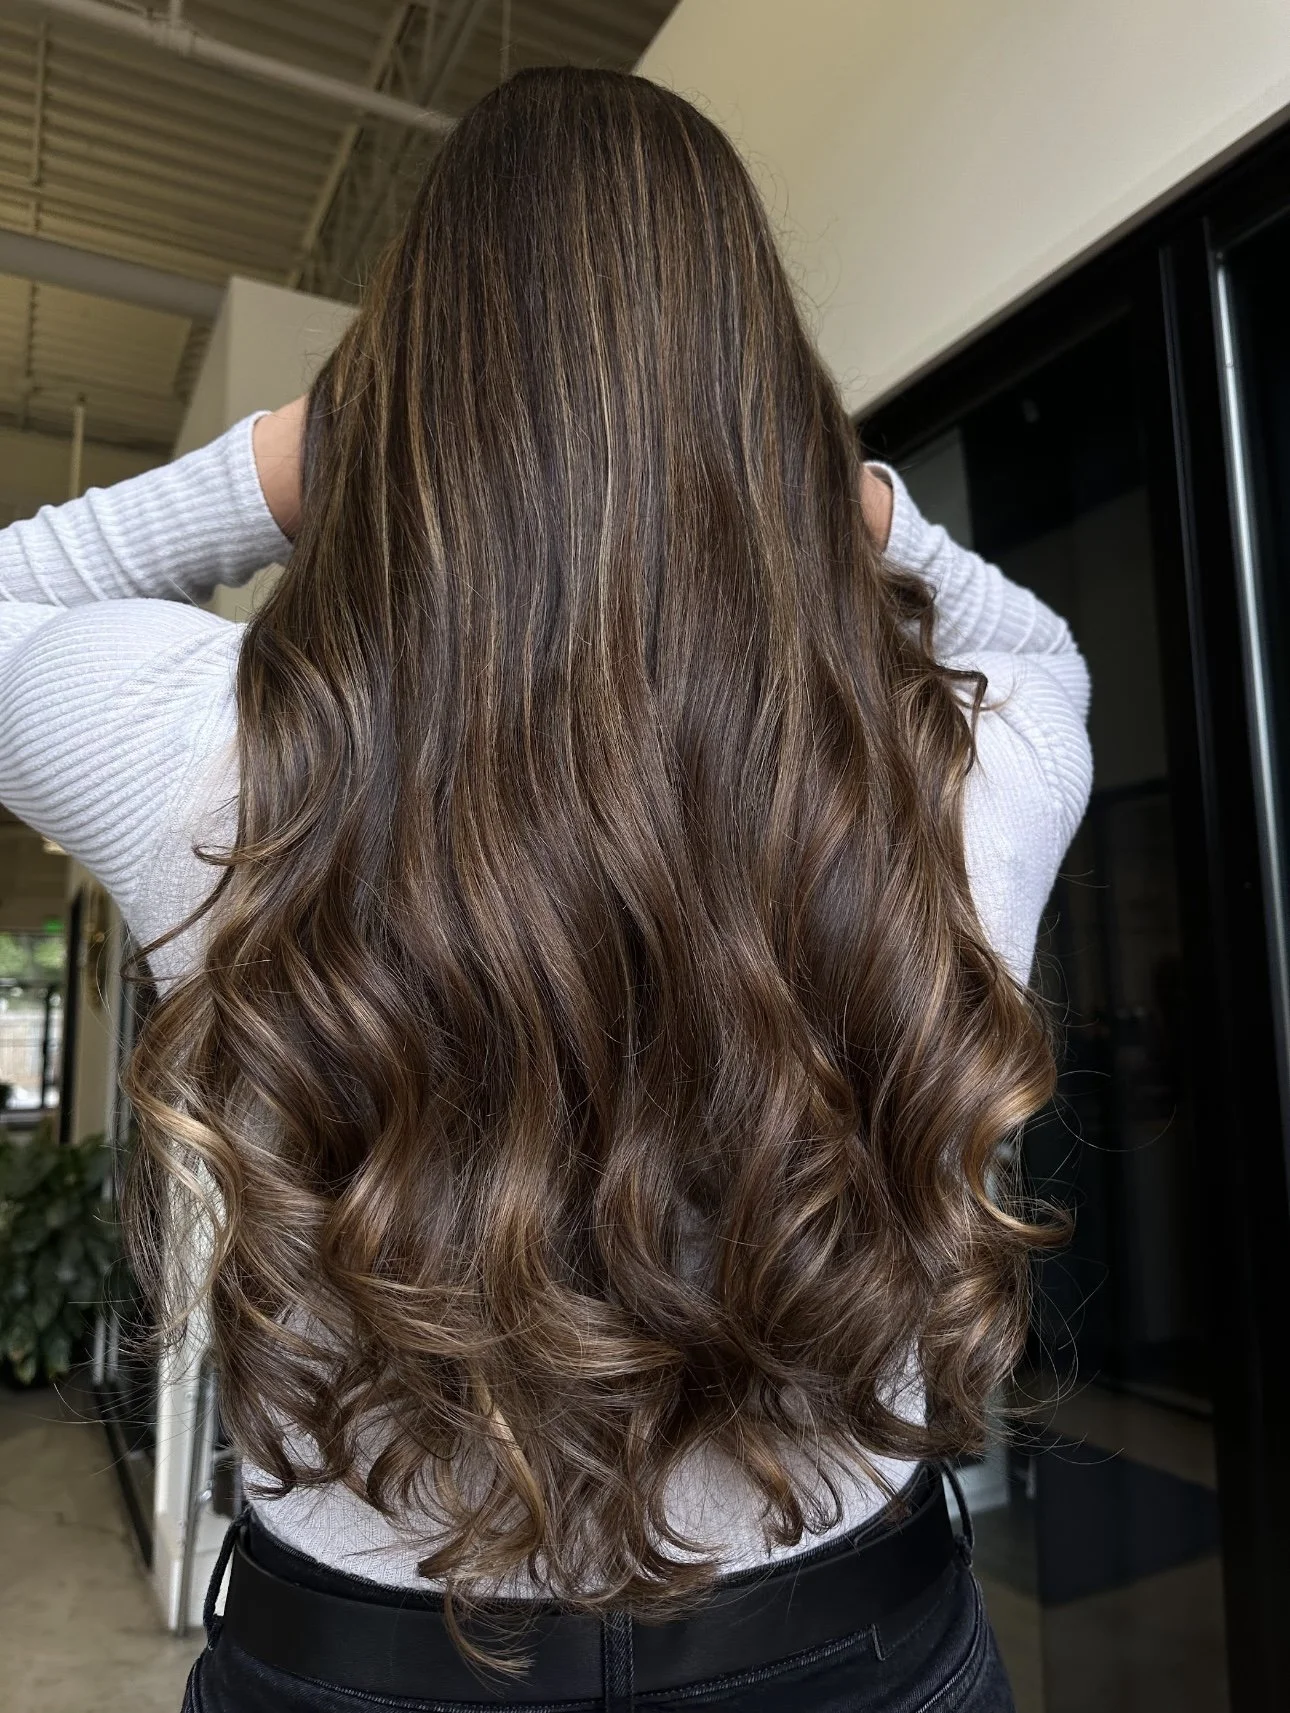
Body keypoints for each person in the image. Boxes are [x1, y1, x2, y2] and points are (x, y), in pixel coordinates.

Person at [0, 67, 1090, 1713]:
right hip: (857, 1660)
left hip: (356, 1675)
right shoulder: (956, 765)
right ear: (766, 404)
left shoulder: (216, 751)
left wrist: (279, 468)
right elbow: (1040, 648)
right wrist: (854, 501)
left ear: (399, 392)